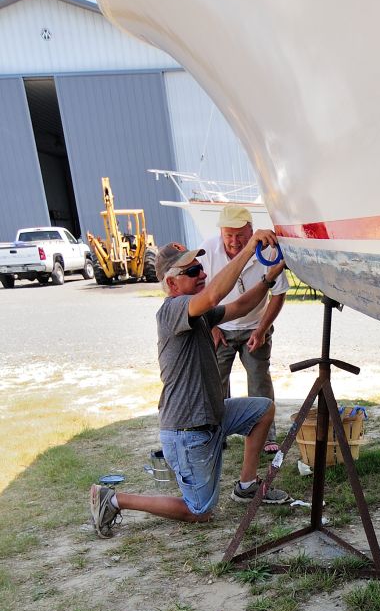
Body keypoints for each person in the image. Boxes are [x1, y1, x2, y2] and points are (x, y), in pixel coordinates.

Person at [88, 233, 291, 538]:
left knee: (263, 410)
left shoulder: (196, 313)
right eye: (193, 271)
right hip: (188, 431)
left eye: (201, 268)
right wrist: (250, 249)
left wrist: (268, 278)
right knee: (200, 512)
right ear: (171, 284)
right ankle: (114, 499)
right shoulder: (172, 310)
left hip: (213, 415)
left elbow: (238, 307)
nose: (203, 274)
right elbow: (211, 297)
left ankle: (247, 485)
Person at [203, 204, 288, 454]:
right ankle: (216, 433)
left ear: (251, 231)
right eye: (228, 235)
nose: (234, 241)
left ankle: (265, 436)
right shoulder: (208, 249)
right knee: (215, 383)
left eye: (240, 235)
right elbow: (201, 291)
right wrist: (213, 326)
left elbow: (279, 293)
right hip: (221, 326)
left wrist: (262, 329)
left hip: (255, 326)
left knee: (259, 380)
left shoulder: (266, 251)